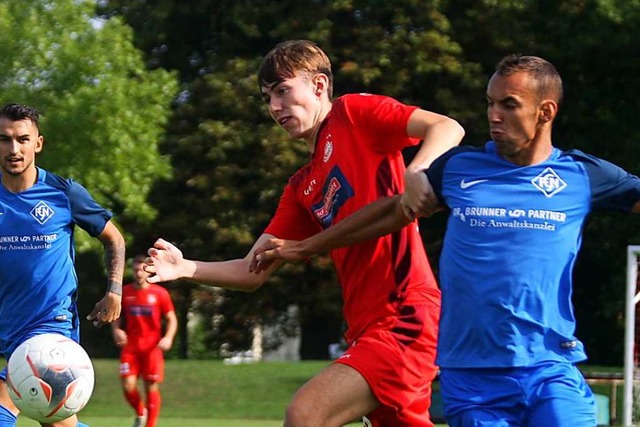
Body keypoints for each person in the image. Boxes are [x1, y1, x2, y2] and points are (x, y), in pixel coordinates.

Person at [251, 54, 640, 426]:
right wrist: (310, 246)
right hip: (473, 379)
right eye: (490, 103)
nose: (493, 115)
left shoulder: (581, 175)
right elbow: (391, 212)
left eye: (508, 104)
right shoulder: (459, 169)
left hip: (550, 366)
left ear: (545, 112)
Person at [145, 39, 464, 427]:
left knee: (305, 415)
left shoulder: (353, 112)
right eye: (267, 98)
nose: (275, 107)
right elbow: (252, 271)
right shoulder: (302, 186)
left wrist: (419, 171)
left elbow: (447, 127)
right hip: (364, 329)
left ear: (318, 85)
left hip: (406, 313)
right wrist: (186, 268)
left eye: (282, 91)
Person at [0, 103, 126, 427]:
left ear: (37, 143)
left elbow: (114, 239)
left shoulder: (62, 192)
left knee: (2, 405)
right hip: (7, 322)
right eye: (4, 139)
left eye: (22, 139)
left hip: (50, 325)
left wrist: (114, 291)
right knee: (58, 422)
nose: (14, 148)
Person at [111, 255, 177, 427]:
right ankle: (141, 411)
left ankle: (150, 425)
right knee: (127, 385)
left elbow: (171, 318)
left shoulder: (160, 294)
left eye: (142, 270)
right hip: (130, 347)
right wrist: (117, 330)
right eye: (135, 269)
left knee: (151, 387)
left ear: (148, 271)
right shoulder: (124, 292)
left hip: (152, 348)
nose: (139, 273)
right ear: (131, 271)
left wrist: (168, 337)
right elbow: (116, 316)